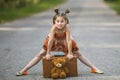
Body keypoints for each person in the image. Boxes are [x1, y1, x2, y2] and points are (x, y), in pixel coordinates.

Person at [16, 9, 103, 76]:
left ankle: (93, 68)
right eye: (58, 21)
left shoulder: (67, 28)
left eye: (62, 21)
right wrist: (48, 53)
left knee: (78, 53)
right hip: (54, 41)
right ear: (54, 22)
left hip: (65, 41)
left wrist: (69, 53)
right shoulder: (54, 28)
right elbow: (50, 41)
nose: (60, 23)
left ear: (66, 22)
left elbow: (69, 40)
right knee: (40, 54)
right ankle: (24, 69)